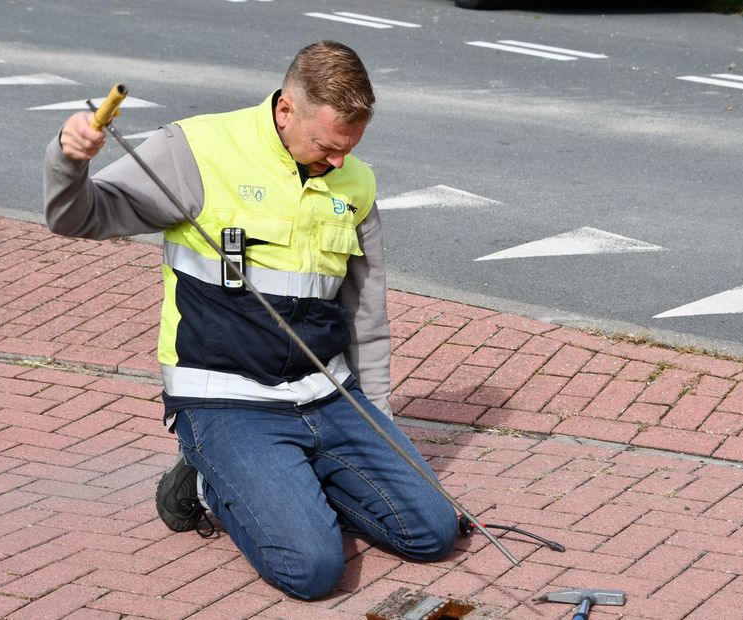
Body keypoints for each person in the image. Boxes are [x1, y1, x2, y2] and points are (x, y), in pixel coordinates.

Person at [43, 41, 457, 600]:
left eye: (349, 148)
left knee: (433, 531)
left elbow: (365, 311)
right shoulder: (195, 150)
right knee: (312, 570)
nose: (337, 162)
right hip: (225, 399)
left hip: (328, 396)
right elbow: (78, 216)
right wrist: (69, 160)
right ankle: (210, 484)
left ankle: (289, 485)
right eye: (325, 146)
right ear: (287, 109)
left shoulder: (355, 182)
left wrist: (378, 420)